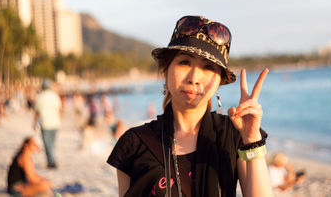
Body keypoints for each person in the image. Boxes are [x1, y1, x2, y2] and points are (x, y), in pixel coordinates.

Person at [107, 15, 274, 196]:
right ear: (166, 69)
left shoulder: (232, 134)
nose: (194, 78)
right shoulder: (134, 142)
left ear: (219, 81)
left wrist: (251, 140)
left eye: (208, 67)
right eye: (184, 62)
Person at [33, 78, 62, 169]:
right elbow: (59, 109)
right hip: (55, 122)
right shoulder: (55, 95)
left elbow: (37, 111)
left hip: (45, 122)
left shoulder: (40, 96)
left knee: (47, 144)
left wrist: (34, 122)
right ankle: (51, 160)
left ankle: (52, 162)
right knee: (52, 143)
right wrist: (59, 120)